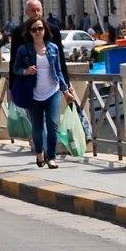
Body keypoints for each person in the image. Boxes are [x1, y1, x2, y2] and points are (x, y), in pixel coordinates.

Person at [12, 19, 74, 168]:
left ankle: (51, 157)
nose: (38, 32)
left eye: (40, 28)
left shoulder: (53, 48)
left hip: (53, 92)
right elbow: (16, 69)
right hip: (33, 94)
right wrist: (26, 71)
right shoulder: (24, 50)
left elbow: (58, 71)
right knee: (38, 129)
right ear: (30, 32)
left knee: (52, 125)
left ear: (45, 30)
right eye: (34, 30)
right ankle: (40, 152)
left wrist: (65, 90)